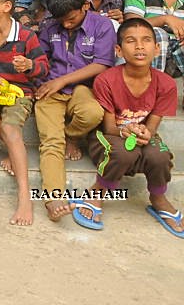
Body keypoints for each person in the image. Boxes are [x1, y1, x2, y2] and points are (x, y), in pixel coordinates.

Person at [73, 18, 181, 236]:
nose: (140, 47)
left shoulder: (166, 84)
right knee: (123, 153)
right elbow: (109, 127)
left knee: (160, 156)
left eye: (147, 41)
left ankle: (158, 198)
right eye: (131, 41)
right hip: (109, 134)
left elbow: (152, 125)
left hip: (138, 133)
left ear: (157, 48)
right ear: (119, 50)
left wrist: (145, 133)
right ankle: (98, 191)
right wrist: (125, 131)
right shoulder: (106, 80)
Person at [35, 0, 112, 222]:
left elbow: (102, 63)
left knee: (92, 113)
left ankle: (72, 136)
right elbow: (41, 61)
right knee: (51, 142)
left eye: (71, 18)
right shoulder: (49, 26)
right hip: (50, 90)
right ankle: (54, 199)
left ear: (85, 6)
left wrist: (62, 80)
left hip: (82, 88)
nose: (66, 24)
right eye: (61, 20)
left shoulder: (102, 25)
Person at [0, 0, 50, 226]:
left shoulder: (27, 36)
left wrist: (30, 66)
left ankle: (24, 197)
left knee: (10, 129)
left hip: (20, 93)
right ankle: (12, 147)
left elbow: (43, 68)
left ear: (6, 6)